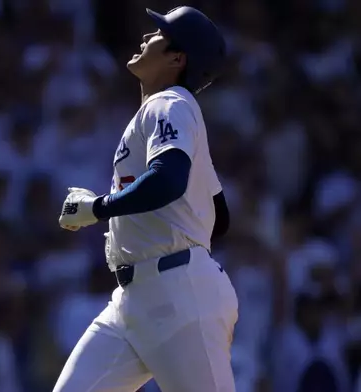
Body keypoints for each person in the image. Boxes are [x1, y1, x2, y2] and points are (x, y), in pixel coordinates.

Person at [55, 6, 237, 392]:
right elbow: (219, 217)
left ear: (177, 58)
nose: (145, 38)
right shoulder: (166, 113)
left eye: (158, 34)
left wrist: (98, 207)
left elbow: (168, 180)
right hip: (135, 301)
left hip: (176, 295)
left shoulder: (170, 102)